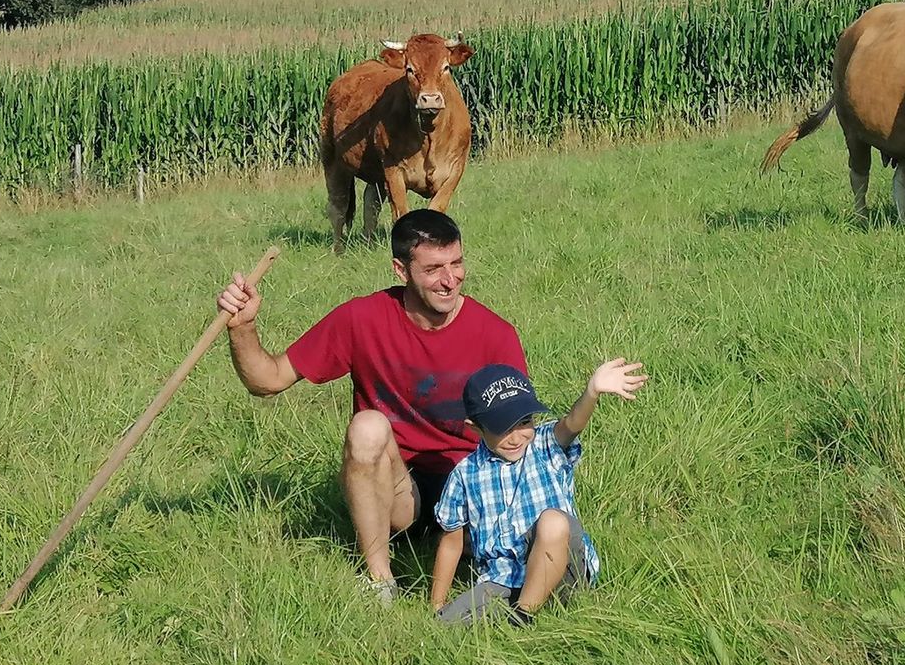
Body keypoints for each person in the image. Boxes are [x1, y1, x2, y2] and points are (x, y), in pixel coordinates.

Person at [215, 209, 526, 603]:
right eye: (433, 269)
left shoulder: (494, 334)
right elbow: (268, 380)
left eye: (457, 263)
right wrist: (243, 327)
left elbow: (520, 434)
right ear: (401, 270)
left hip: (471, 486)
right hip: (397, 490)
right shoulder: (361, 318)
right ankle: (380, 580)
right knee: (367, 427)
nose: (450, 280)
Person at [430, 358, 646, 625]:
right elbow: (452, 543)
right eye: (502, 428)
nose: (517, 436)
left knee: (553, 522)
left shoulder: (545, 444)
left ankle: (523, 616)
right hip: (504, 579)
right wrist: (438, 603)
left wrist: (592, 392)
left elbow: (571, 424)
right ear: (475, 428)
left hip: (563, 571)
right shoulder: (465, 474)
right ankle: (513, 609)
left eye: (525, 422)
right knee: (444, 625)